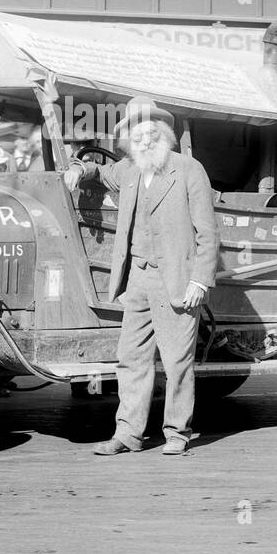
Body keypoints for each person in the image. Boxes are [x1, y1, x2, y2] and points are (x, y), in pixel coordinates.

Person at [63, 98, 219, 456]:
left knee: (177, 361)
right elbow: (99, 171)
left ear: (165, 135)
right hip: (137, 280)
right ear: (129, 143)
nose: (145, 141)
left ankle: (177, 433)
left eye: (151, 133)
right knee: (131, 358)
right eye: (137, 136)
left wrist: (199, 280)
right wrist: (77, 168)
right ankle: (128, 434)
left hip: (177, 280)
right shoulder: (130, 170)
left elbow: (208, 234)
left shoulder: (189, 170)